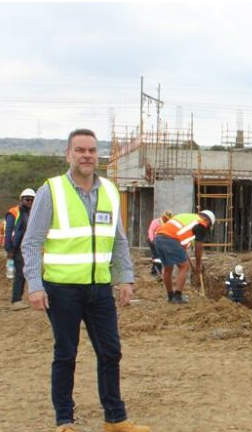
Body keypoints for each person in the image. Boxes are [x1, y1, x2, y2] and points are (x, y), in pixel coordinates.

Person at [21, 128, 150, 432]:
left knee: (110, 352)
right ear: (68, 154)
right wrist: (35, 286)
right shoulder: (50, 191)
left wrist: (125, 279)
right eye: (80, 150)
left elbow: (118, 241)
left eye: (92, 150)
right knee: (66, 354)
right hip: (61, 289)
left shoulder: (108, 190)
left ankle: (115, 419)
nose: (87, 155)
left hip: (99, 288)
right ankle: (64, 421)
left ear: (98, 155)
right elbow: (31, 242)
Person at [154, 210, 215, 304]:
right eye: (208, 225)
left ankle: (171, 297)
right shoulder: (201, 224)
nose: (206, 228)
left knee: (168, 268)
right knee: (184, 267)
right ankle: (178, 296)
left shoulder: (187, 218)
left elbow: (182, 248)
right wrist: (198, 265)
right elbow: (199, 247)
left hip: (159, 239)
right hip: (170, 240)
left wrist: (192, 264)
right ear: (207, 220)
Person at [6, 188, 36, 310]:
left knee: (26, 273)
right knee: (20, 274)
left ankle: (20, 298)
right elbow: (9, 232)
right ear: (21, 200)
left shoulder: (32, 213)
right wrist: (9, 249)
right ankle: (16, 300)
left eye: (32, 199)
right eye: (27, 199)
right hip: (17, 248)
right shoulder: (14, 212)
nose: (29, 201)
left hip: (28, 247)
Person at [146, 210, 172, 279]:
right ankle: (156, 272)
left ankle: (156, 271)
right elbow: (150, 230)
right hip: (153, 240)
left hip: (160, 241)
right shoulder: (156, 222)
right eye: (165, 218)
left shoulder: (166, 224)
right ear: (163, 217)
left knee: (159, 256)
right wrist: (152, 240)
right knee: (157, 256)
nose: (166, 219)